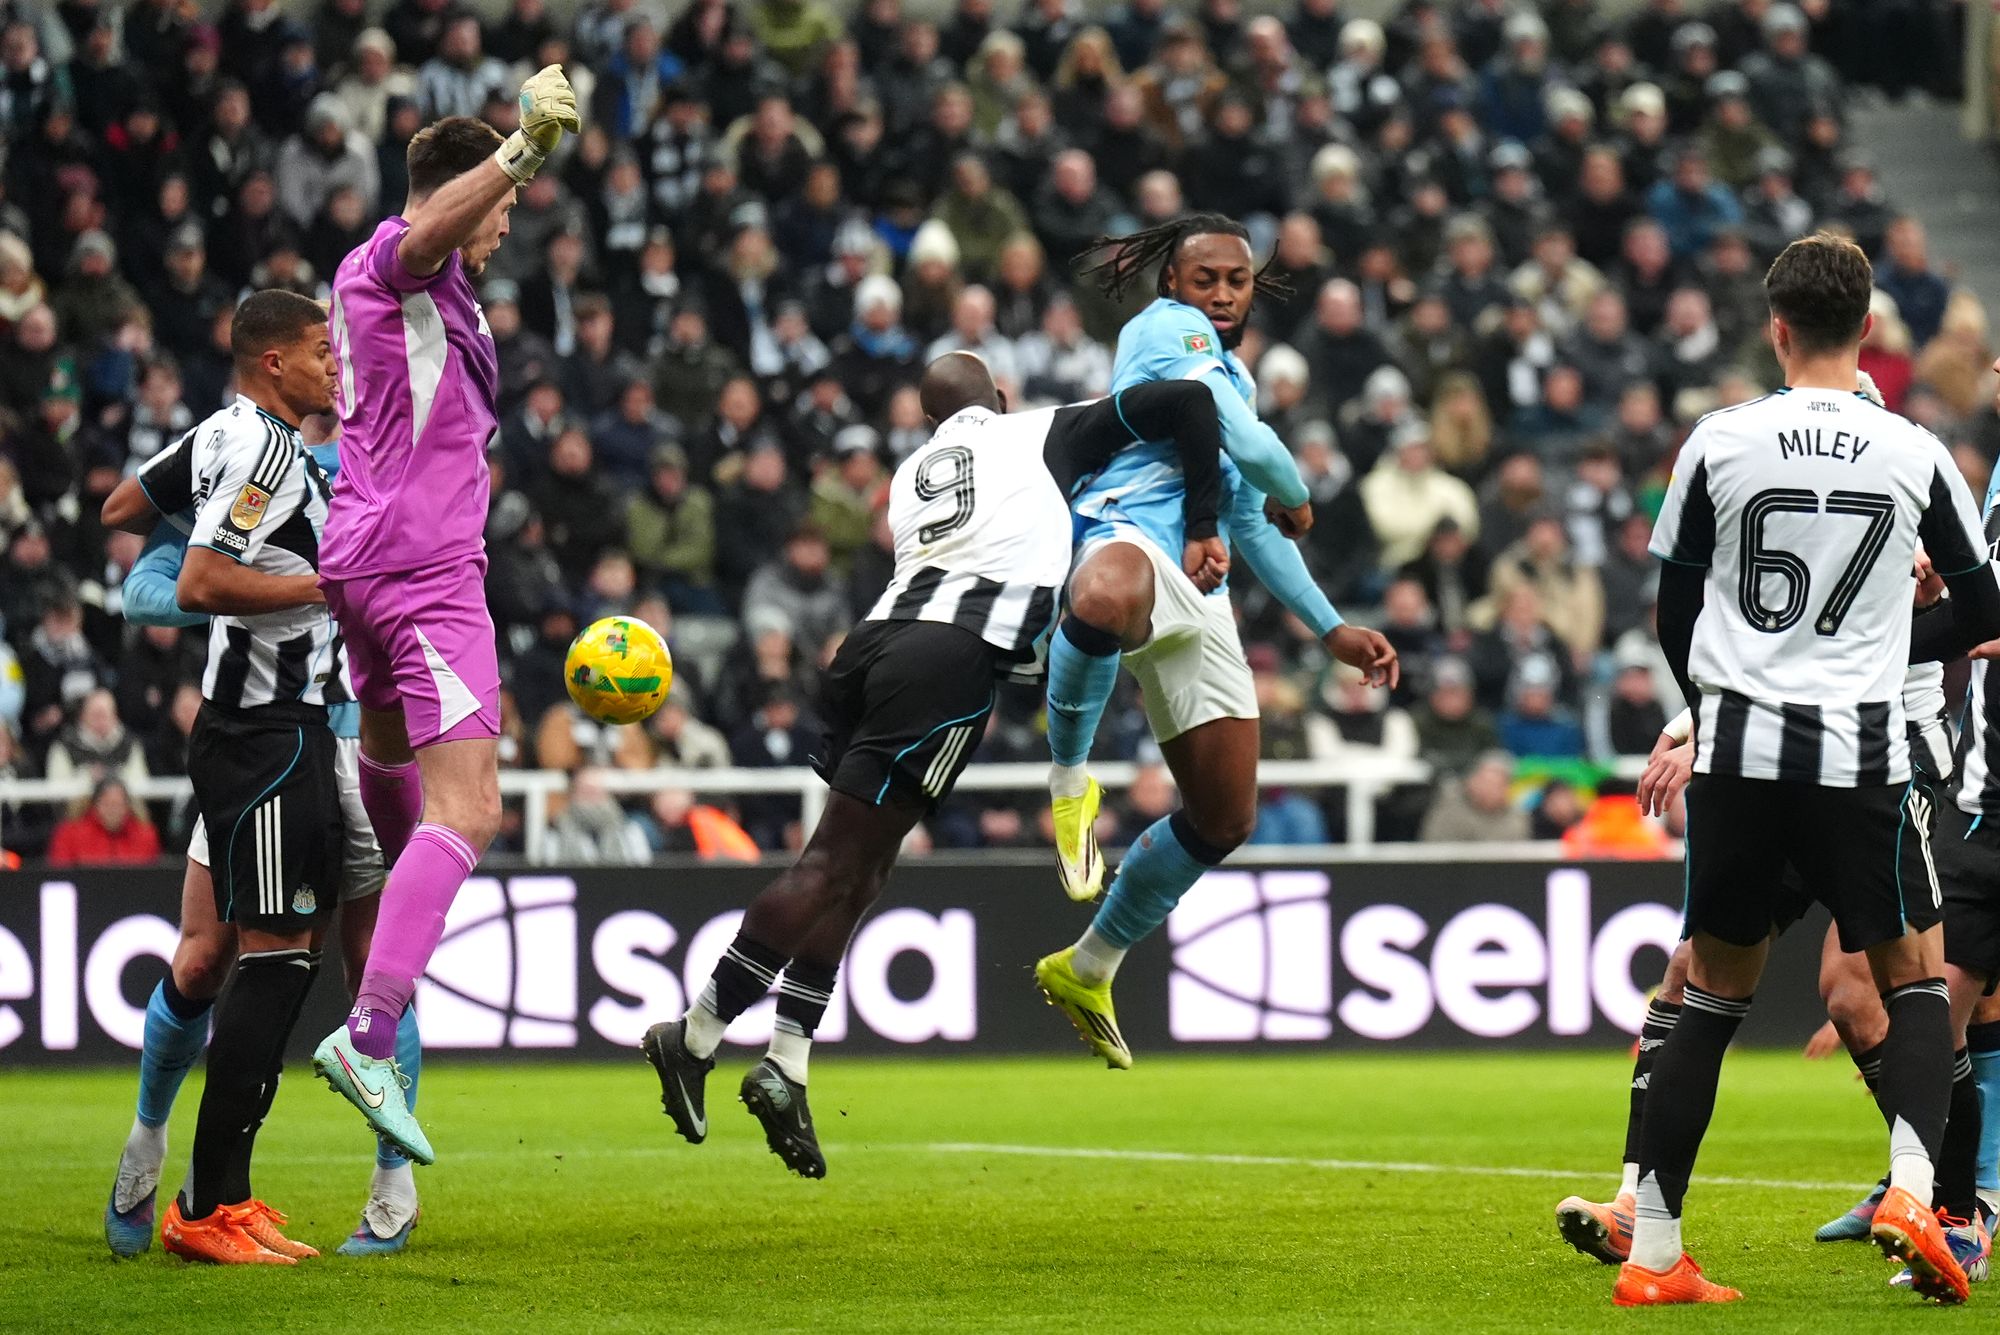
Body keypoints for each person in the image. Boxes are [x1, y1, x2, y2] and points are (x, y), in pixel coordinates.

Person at [642, 351, 1234, 1178]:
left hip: (872, 645)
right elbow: (1189, 401)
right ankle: (694, 1035)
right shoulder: (1033, 431)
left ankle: (787, 1059)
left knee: (863, 870)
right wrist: (1203, 517)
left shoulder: (913, 469)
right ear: (1000, 397)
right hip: (946, 661)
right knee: (831, 866)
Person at [1612, 233, 2000, 1306]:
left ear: (1772, 327)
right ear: (1868, 330)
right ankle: (1918, 1196)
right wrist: (1897, 626)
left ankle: (1651, 1255)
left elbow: (1674, 604)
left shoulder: (1718, 441)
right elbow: (1980, 614)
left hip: (1737, 756)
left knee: (1709, 997)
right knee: (1914, 981)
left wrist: (1706, 702)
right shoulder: (1912, 451)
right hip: (1861, 757)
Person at [1030, 214, 1398, 1068]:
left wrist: (1331, 625)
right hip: (1128, 534)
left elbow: (1247, 521)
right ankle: (1069, 782)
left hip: (1201, 587)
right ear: (1173, 284)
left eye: (1236, 279)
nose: (1224, 293)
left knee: (1226, 814)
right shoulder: (1165, 333)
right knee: (1104, 592)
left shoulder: (1236, 374)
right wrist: (1299, 489)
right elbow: (1256, 452)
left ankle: (1089, 964)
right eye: (1207, 278)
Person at [310, 70, 580, 1166]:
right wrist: (519, 151)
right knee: (467, 814)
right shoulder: (396, 264)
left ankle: (383, 914)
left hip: (365, 568)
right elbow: (428, 235)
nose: (507, 224)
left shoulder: (432, 296)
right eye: (501, 208)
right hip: (423, 573)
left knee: (388, 759)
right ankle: (371, 1031)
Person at [98, 402, 427, 1260]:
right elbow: (146, 584)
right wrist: (274, 594)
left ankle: (393, 1179)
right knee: (205, 956)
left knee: (374, 966)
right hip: (266, 728)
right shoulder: (255, 458)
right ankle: (148, 1140)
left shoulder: (391, 466)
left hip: (364, 739)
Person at [95, 291, 347, 1265]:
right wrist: (320, 586)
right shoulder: (264, 452)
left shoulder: (222, 436)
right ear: (275, 362)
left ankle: (218, 1196)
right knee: (274, 958)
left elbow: (122, 508)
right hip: (264, 730)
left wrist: (212, 528)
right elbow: (201, 584)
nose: (335, 364)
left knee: (270, 954)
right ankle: (207, 1208)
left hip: (271, 730)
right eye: (321, 351)